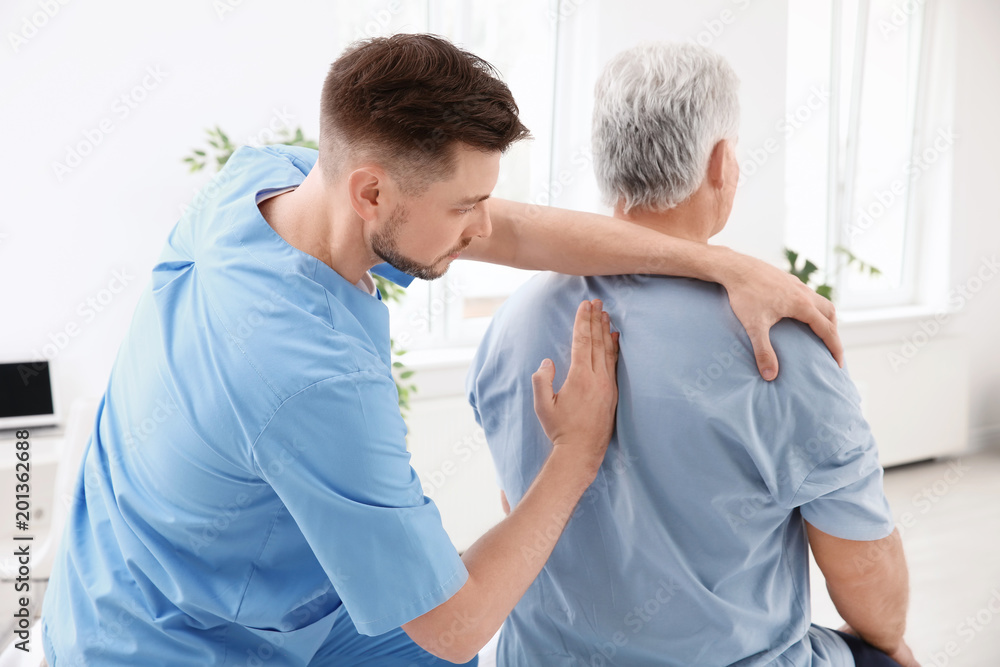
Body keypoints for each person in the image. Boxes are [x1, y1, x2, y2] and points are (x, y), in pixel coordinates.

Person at [43, 34, 842, 666]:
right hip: (169, 640)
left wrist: (722, 264)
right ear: (371, 192)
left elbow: (517, 233)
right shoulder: (313, 378)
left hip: (164, 561)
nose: (484, 226)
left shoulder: (261, 185)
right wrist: (574, 454)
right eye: (466, 206)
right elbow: (454, 626)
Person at [468, 42, 919, 667]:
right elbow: (867, 582)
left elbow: (519, 506)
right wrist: (889, 644)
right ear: (722, 162)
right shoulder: (778, 345)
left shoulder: (510, 325)